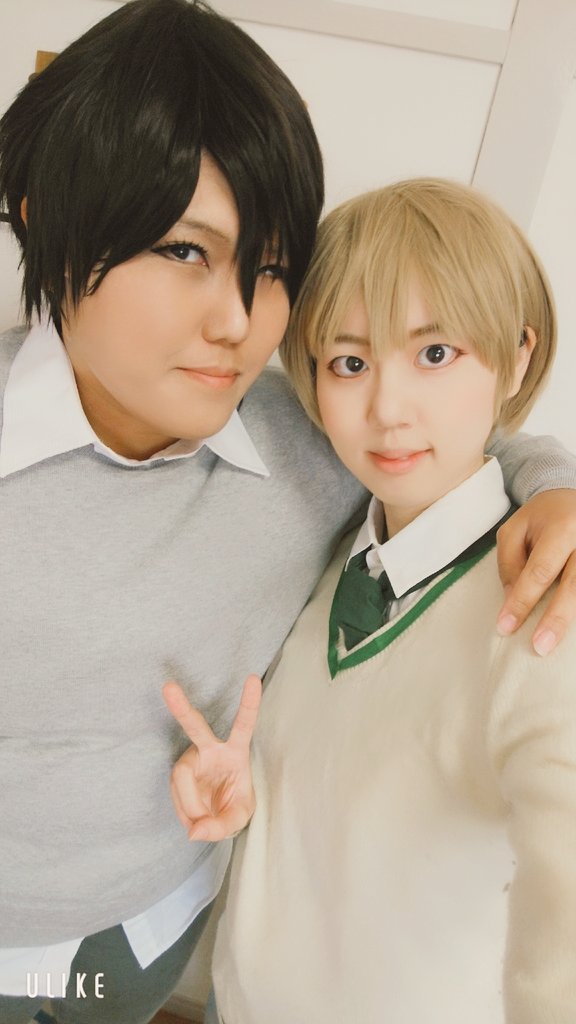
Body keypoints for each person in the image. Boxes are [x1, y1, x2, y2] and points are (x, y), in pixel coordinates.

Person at [0, 0, 575, 1017]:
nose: (236, 321)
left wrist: (556, 487)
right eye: (185, 250)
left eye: (269, 269)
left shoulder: (308, 437)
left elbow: (455, 436)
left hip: (152, 928)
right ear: (47, 213)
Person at [166, 180, 576, 1023]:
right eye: (349, 363)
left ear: (518, 358)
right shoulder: (332, 558)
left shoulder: (545, 609)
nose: (387, 410)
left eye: (435, 353)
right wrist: (258, 793)